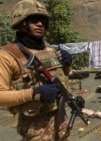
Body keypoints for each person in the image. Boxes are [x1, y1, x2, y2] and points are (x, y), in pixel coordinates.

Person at [0, 0, 72, 140]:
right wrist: (34, 93)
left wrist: (67, 65)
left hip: (61, 123)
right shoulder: (7, 55)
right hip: (36, 130)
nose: (40, 24)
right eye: (34, 20)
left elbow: (63, 76)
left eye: (43, 20)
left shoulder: (50, 49)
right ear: (21, 23)